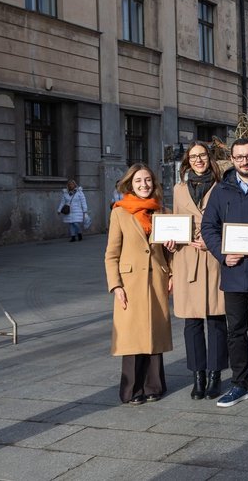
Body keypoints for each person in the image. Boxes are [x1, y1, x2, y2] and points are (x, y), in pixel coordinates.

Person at [201, 137, 248, 408]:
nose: (245, 161)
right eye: (239, 157)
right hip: (233, 274)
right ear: (231, 160)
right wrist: (222, 254)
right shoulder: (221, 191)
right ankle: (239, 384)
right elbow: (208, 227)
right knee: (236, 332)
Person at [104, 164, 172, 405]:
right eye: (139, 181)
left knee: (154, 332)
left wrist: (170, 256)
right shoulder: (120, 212)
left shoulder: (163, 212)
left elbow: (168, 250)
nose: (144, 185)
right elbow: (111, 253)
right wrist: (116, 285)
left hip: (156, 279)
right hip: (130, 282)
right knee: (133, 336)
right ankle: (132, 390)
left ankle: (154, 386)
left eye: (148, 181)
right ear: (129, 184)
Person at [166, 142, 227, 401]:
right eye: (193, 157)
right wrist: (170, 239)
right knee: (191, 322)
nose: (199, 160)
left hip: (213, 257)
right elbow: (175, 221)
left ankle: (215, 376)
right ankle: (197, 376)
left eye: (202, 155)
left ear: (209, 158)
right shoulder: (178, 189)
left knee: (215, 319)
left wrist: (214, 240)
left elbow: (230, 220)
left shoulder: (222, 185)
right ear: (187, 162)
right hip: (186, 259)